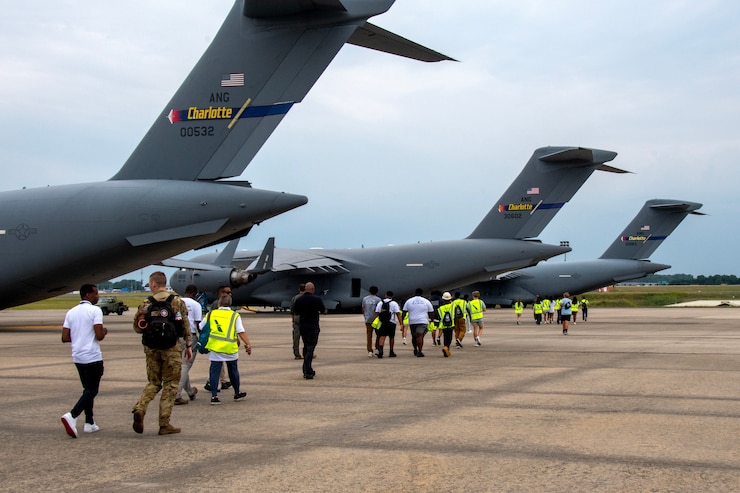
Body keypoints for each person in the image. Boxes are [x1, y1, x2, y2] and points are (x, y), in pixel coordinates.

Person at [132, 271, 192, 436]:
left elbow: (137, 328)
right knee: (171, 384)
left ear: (153, 284)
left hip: (151, 348)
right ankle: (164, 424)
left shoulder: (146, 303)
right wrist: (188, 345)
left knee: (153, 382)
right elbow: (185, 324)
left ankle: (140, 408)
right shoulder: (177, 302)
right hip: (171, 348)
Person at [60, 284, 107, 438]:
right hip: (92, 356)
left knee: (87, 390)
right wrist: (104, 331)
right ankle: (72, 415)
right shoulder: (95, 310)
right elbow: (99, 335)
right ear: (87, 294)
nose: (97, 296)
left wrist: (79, 336)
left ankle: (89, 422)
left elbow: (65, 337)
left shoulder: (71, 312)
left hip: (78, 356)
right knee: (92, 390)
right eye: (95, 294)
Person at [203, 294, 251, 404]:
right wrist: (248, 344)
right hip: (230, 347)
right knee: (233, 370)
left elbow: (201, 327)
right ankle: (237, 392)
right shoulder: (234, 316)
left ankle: (214, 396)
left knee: (215, 370)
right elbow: (240, 331)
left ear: (219, 303)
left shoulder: (211, 314)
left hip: (215, 347)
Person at [175, 284, 202, 405]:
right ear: (195, 293)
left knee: (182, 366)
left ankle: (190, 391)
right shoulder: (196, 305)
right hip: (189, 336)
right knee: (186, 365)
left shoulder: (176, 302)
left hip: (176, 336)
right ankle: (177, 394)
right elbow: (198, 324)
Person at [293, 281, 326, 379]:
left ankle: (307, 369)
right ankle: (307, 371)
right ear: (312, 289)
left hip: (303, 326)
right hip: (313, 326)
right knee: (311, 348)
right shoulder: (316, 299)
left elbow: (296, 312)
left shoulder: (299, 299)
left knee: (306, 347)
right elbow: (323, 310)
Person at [204, 286, 233, 392]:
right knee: (217, 362)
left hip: (221, 338)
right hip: (218, 338)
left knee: (219, 361)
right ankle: (212, 382)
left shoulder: (223, 303)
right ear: (221, 293)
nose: (230, 294)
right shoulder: (218, 304)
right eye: (227, 292)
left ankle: (223, 381)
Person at [402, 288, 435, 357]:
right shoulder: (426, 301)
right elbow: (431, 312)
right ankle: (420, 351)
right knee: (420, 336)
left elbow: (404, 311)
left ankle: (415, 349)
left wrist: (402, 321)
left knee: (414, 336)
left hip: (412, 321)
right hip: (422, 321)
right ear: (422, 293)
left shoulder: (409, 301)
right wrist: (432, 320)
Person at [374, 291, 402, 358]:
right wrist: (401, 323)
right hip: (391, 322)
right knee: (391, 337)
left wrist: (375, 321)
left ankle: (381, 350)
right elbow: (398, 314)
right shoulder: (394, 303)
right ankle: (391, 351)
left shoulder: (380, 303)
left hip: (383, 322)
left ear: (385, 295)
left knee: (382, 336)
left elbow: (376, 312)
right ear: (392, 296)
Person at [361, 285, 381, 358]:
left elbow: (363, 309)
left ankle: (369, 350)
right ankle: (377, 348)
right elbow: (379, 310)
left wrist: (365, 316)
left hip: (368, 319)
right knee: (378, 334)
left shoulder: (365, 299)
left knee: (369, 335)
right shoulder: (378, 299)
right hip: (376, 320)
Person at [437, 292, 456, 357]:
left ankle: (446, 348)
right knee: (449, 337)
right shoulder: (452, 306)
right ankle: (447, 347)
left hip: (443, 325)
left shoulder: (440, 308)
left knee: (445, 337)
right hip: (451, 324)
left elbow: (439, 317)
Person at [291, 283, 306, 359]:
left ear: (299, 289)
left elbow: (292, 310)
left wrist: (293, 319)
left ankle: (296, 354)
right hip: (305, 318)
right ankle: (308, 353)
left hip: (297, 317)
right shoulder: (307, 298)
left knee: (296, 337)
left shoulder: (294, 298)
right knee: (307, 337)